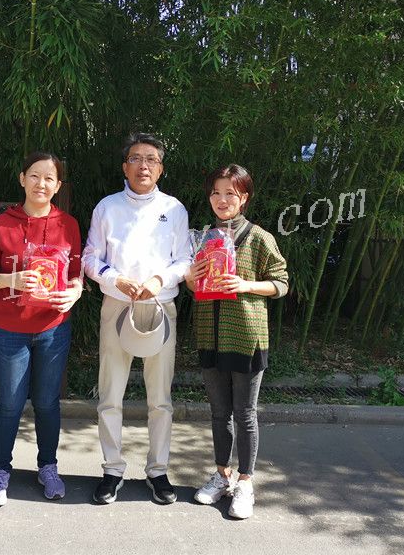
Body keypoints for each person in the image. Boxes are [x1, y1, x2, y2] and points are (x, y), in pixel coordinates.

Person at [83, 132, 192, 505]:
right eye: (136, 158)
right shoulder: (107, 207)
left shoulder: (174, 209)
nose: (143, 165)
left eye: (151, 159)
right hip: (117, 305)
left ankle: (158, 471)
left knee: (160, 398)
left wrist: (159, 280)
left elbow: (184, 259)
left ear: (160, 168)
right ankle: (112, 470)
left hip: (160, 306)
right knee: (110, 394)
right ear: (124, 166)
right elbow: (90, 257)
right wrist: (116, 280)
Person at [0, 152, 83, 508]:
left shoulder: (69, 224)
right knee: (9, 404)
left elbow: (76, 273)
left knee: (48, 403)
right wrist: (12, 279)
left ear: (58, 185)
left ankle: (48, 467)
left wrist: (76, 292)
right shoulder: (2, 224)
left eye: (49, 178)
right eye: (35, 176)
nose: (41, 184)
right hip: (9, 329)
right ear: (22, 179)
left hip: (53, 328)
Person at [185, 164, 288, 519]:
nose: (222, 199)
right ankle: (222, 475)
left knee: (244, 413)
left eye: (230, 193)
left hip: (246, 335)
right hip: (209, 333)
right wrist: (192, 277)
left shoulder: (259, 237)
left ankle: (245, 482)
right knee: (218, 412)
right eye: (216, 192)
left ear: (244, 198)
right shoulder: (203, 238)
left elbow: (281, 283)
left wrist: (246, 285)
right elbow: (192, 284)